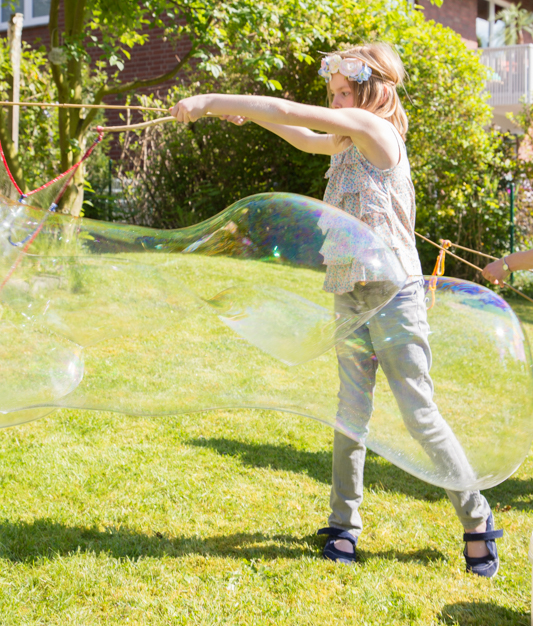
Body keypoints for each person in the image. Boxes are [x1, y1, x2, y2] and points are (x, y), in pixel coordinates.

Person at [170, 42, 502, 577]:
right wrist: (249, 119)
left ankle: (477, 519)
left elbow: (289, 111)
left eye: (344, 92)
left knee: (419, 416)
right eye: (333, 94)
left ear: (370, 91)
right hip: (350, 289)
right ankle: (344, 524)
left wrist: (208, 100)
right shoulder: (348, 141)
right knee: (350, 416)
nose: (335, 101)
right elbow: (303, 137)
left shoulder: (379, 133)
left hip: (393, 296)